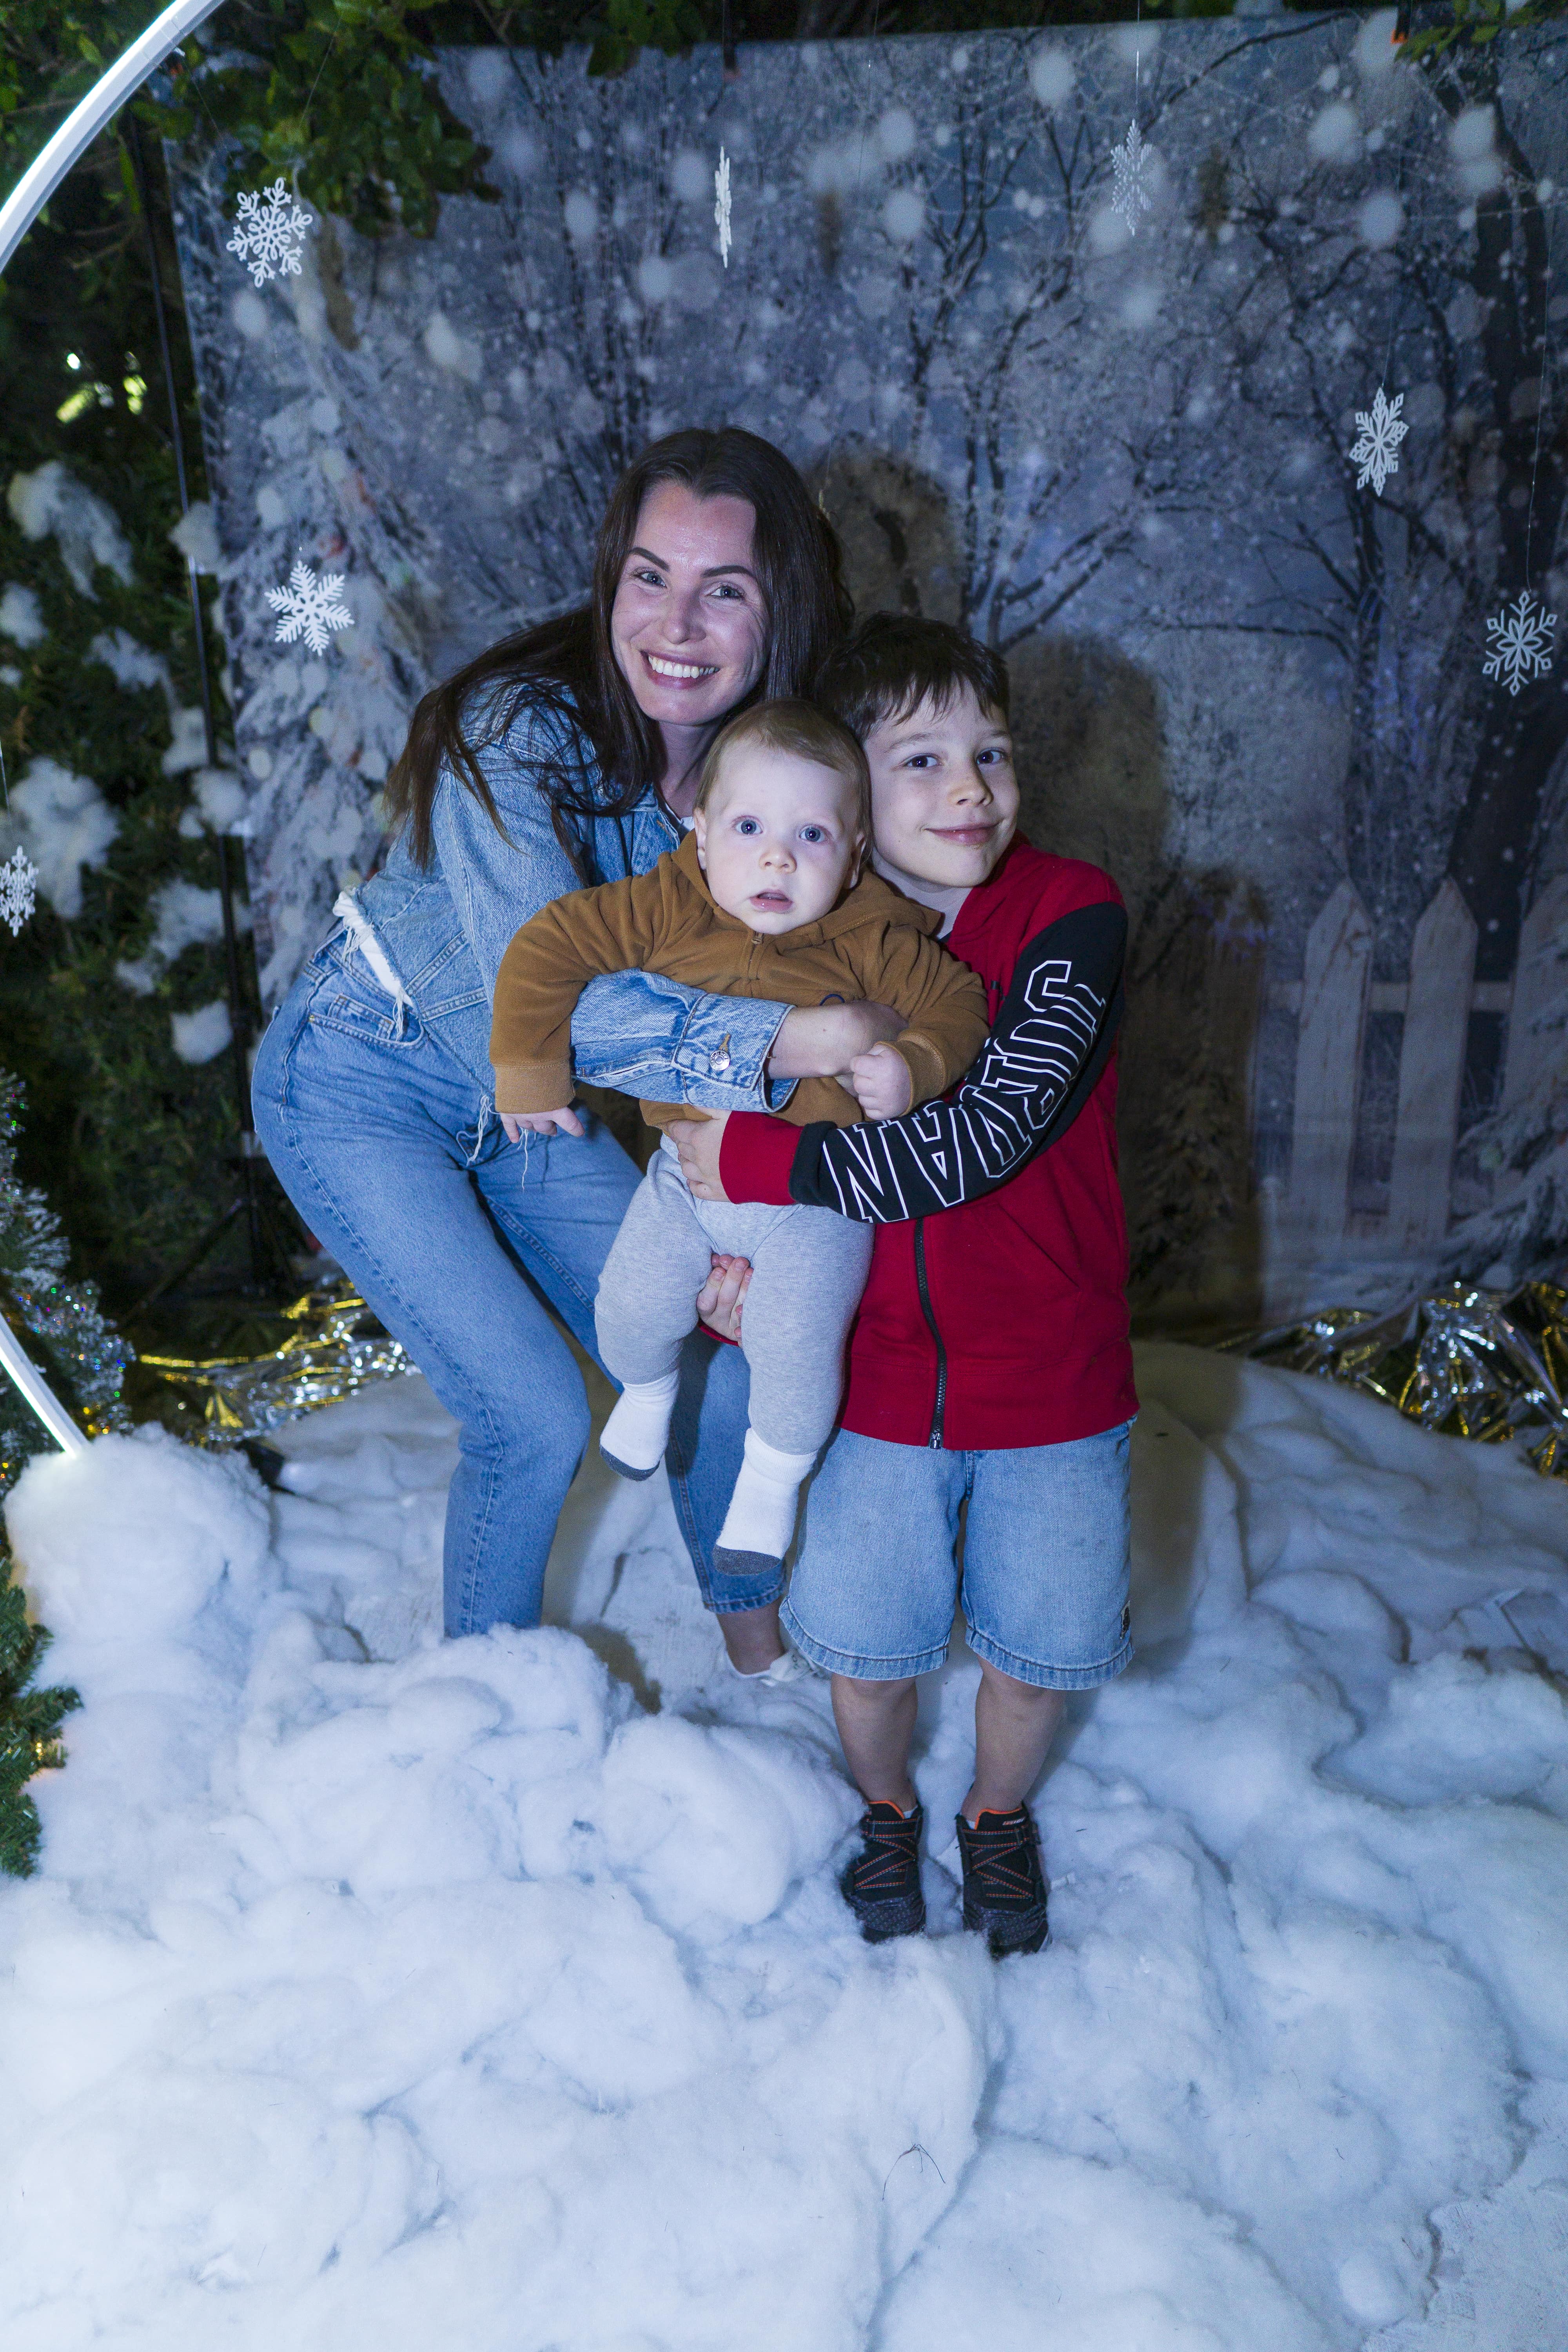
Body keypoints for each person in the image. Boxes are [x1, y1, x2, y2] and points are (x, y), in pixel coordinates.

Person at [251, 427, 894, 1670]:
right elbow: (557, 1006)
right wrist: (789, 1043)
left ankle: (763, 1660)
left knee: (711, 1344)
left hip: (531, 1123)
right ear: (610, 582)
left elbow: (823, 971)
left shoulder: (770, 781)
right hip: (363, 1075)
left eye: (726, 590)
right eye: (648, 577)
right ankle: (494, 1710)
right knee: (532, 1415)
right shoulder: (521, 732)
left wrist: (744, 1205)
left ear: (782, 613)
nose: (677, 623)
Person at [668, 615, 1138, 1957]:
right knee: (869, 1649)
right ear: (846, 803)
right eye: (922, 760)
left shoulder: (1069, 914)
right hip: (875, 1387)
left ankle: (997, 1814)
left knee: (1036, 1655)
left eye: (990, 752)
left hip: (1052, 1385)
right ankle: (883, 1805)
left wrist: (755, 1153)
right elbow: (692, 1111)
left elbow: (983, 1136)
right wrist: (728, 1247)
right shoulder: (798, 940)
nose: (972, 789)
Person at [488, 697, 989, 1579]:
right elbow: (547, 945)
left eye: (811, 838)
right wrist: (529, 1070)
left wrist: (913, 1061)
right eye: (750, 827)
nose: (775, 858)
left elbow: (959, 1006)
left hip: (812, 1205)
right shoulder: (666, 905)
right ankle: (645, 1392)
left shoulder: (873, 937)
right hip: (685, 1181)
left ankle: (772, 1478)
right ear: (701, 831)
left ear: (855, 852)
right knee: (631, 1305)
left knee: (795, 1348)